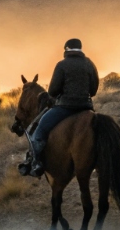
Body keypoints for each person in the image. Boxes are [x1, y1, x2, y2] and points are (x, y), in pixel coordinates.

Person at [26, 38, 99, 177]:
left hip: (65, 108)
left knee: (40, 129)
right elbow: (94, 90)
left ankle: (36, 163)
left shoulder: (61, 65)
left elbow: (52, 91)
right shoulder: (90, 64)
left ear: (66, 49)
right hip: (86, 107)